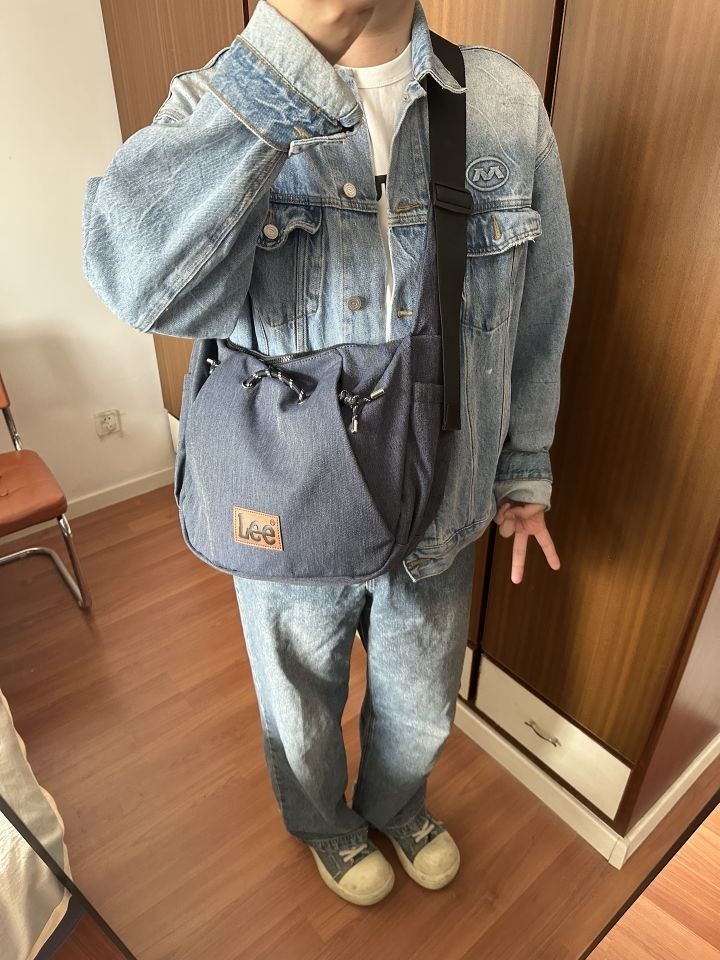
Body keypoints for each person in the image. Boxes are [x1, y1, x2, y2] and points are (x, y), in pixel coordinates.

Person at [82, 0, 573, 908]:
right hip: (291, 503)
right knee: (299, 704)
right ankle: (323, 825)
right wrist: (283, 63)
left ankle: (396, 804)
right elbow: (136, 282)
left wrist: (524, 467)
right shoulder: (217, 103)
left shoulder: (503, 104)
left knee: (422, 703)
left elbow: (540, 314)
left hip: (442, 501)